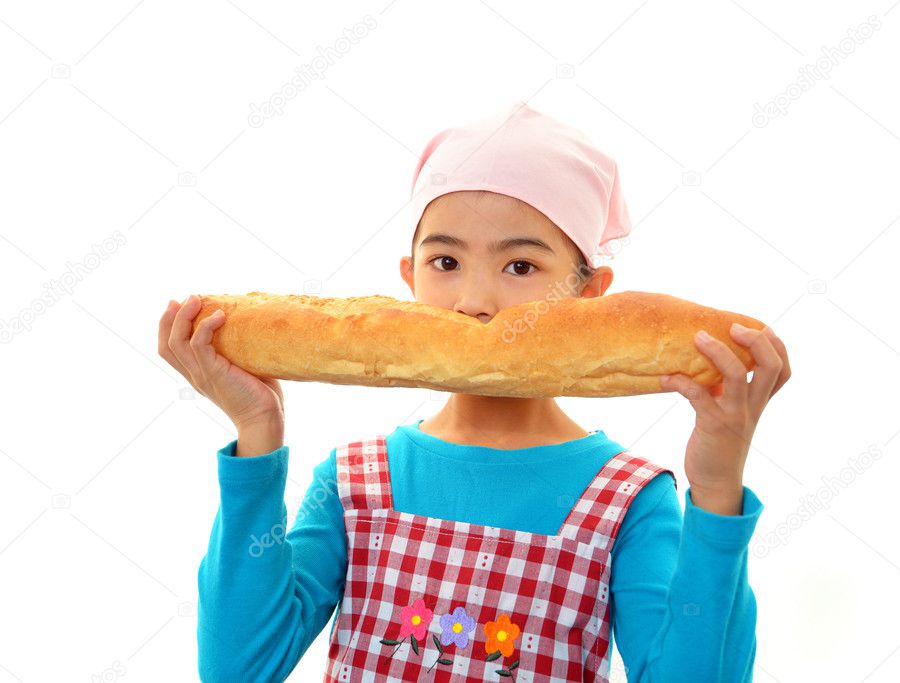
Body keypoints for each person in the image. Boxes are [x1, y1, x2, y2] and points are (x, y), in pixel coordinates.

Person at [159, 102, 791, 682]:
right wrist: (257, 429)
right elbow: (239, 667)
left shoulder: (629, 501)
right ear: (408, 278)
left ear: (588, 297)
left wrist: (715, 491)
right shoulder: (354, 481)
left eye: (521, 266)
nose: (473, 303)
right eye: (446, 262)